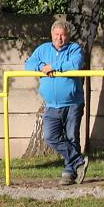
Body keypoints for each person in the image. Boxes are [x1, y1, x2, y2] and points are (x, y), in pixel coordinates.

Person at [25, 21, 89, 185]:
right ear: (52, 34)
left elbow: (75, 64)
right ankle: (78, 161)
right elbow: (28, 65)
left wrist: (53, 67)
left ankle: (69, 173)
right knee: (50, 137)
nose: (59, 38)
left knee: (72, 137)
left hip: (73, 102)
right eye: (56, 34)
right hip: (52, 105)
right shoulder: (43, 49)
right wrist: (41, 67)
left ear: (68, 36)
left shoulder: (74, 48)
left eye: (63, 35)